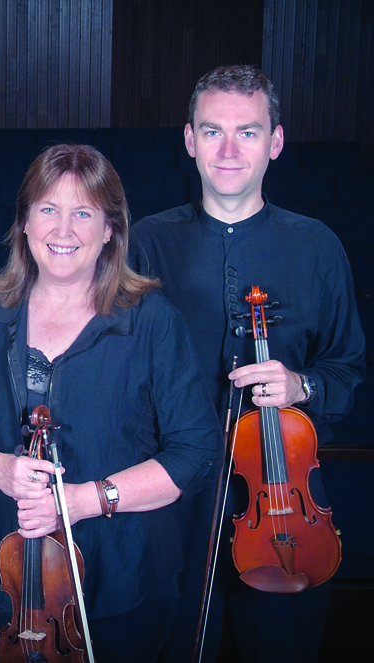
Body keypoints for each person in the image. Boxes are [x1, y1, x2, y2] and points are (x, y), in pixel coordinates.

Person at [0, 143, 221, 663]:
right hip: (1, 574)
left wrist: (83, 501)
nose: (63, 230)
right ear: (24, 221)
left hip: (121, 573)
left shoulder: (152, 321)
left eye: (83, 213)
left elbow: (195, 453)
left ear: (110, 229)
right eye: (48, 210)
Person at [129, 65, 366, 662]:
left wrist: (301, 383)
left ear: (276, 142)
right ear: (189, 140)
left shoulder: (318, 246)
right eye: (212, 132)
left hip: (284, 503)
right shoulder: (145, 245)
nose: (229, 150)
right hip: (171, 499)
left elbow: (347, 370)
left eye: (249, 132)